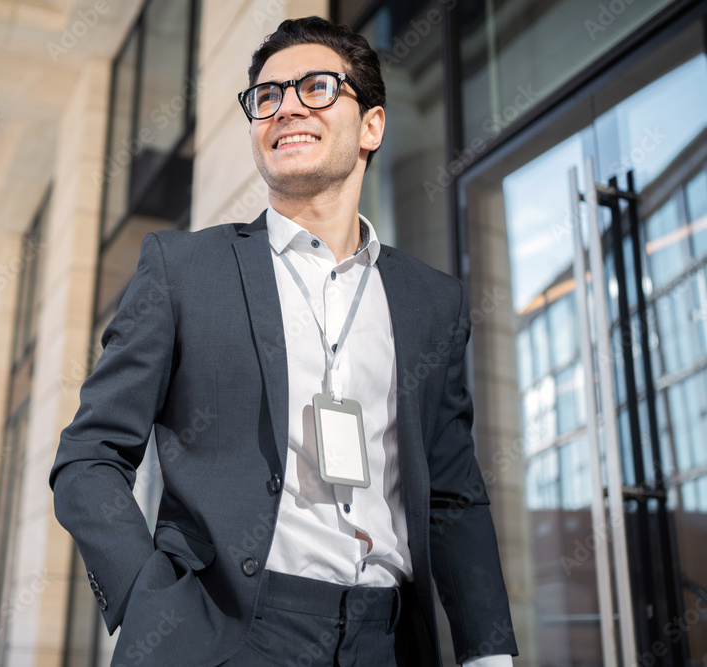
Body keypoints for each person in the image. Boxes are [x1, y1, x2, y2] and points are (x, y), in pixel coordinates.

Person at [51, 16, 517, 667]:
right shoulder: (183, 270)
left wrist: (488, 652)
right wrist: (147, 596)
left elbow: (452, 492)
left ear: (373, 125)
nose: (286, 106)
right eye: (266, 96)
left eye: (316, 88)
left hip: (385, 638)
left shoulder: (430, 301)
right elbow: (89, 455)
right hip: (225, 633)